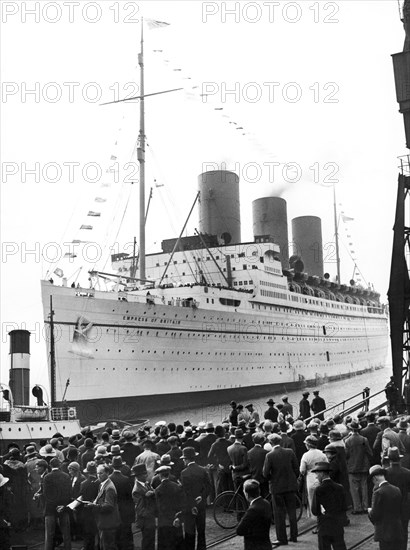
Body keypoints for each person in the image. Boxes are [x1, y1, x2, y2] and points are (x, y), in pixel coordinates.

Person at [262, 433, 299, 545]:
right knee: (292, 512)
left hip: (277, 487)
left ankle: (282, 538)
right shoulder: (290, 452)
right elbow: (296, 469)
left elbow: (265, 473)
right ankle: (294, 535)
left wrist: (272, 479)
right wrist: (292, 479)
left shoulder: (270, 455)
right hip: (290, 486)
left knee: (279, 514)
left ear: (271, 443)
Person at [180, 446, 212, 550]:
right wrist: (201, 497)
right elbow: (208, 486)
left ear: (187, 459)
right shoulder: (202, 470)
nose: (184, 461)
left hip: (189, 506)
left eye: (184, 459)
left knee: (189, 530)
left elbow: (185, 492)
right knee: (201, 530)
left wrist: (192, 504)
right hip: (201, 504)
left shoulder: (184, 473)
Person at [311, 462, 347, 550]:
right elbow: (344, 507)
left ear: (322, 473)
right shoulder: (340, 487)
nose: (316, 476)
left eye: (317, 474)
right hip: (337, 526)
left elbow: (315, 510)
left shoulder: (318, 489)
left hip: (324, 527)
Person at [367, 464, 404, 550]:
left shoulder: (378, 493)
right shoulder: (396, 489)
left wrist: (370, 512)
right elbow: (400, 510)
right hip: (397, 530)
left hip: (385, 532)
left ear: (375, 478)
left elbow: (375, 515)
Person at [85, 464, 121, 550]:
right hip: (104, 522)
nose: (98, 475)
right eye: (97, 473)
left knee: (107, 546)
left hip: (108, 523)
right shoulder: (102, 484)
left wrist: (94, 506)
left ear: (107, 473)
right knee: (103, 545)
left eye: (101, 473)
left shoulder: (109, 488)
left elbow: (109, 506)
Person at [43, 457, 72, 550]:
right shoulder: (66, 476)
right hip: (63, 507)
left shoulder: (47, 477)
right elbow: (68, 493)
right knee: (66, 533)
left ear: (50, 465)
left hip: (50, 508)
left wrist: (53, 504)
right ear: (59, 465)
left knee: (49, 535)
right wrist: (62, 505)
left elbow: (46, 494)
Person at [344, 420, 372, 514]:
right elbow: (369, 452)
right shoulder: (364, 439)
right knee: (364, 487)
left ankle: (357, 508)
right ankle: (365, 506)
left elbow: (346, 455)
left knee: (354, 489)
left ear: (351, 429)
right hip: (363, 466)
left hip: (352, 467)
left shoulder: (347, 441)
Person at [385, 446, 410, 550]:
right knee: (404, 531)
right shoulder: (407, 472)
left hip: (389, 508)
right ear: (399, 459)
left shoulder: (385, 472)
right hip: (404, 507)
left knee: (390, 531)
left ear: (389, 459)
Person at [236, 479, 272, 550]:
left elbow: (239, 530)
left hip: (254, 546)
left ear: (246, 494)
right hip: (266, 544)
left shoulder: (252, 510)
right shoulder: (266, 503)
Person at [155, 465, 184, 550]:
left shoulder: (158, 490)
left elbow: (159, 508)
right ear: (168, 474)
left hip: (164, 523)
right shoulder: (177, 487)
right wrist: (179, 517)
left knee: (165, 545)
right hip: (176, 520)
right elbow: (182, 504)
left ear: (160, 476)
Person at [109, 456, 134, 550]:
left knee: (115, 533)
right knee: (126, 532)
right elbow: (130, 497)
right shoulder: (126, 479)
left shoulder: (108, 479)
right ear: (121, 467)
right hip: (125, 509)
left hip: (113, 509)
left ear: (112, 466)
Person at [300, 435, 327, 518]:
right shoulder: (322, 453)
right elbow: (327, 464)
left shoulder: (305, 455)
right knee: (323, 498)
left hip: (310, 478)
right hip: (321, 477)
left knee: (312, 499)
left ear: (308, 445)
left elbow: (302, 470)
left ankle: (314, 517)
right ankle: (324, 515)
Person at [132, 463, 156, 550]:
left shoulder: (145, 484)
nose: (146, 475)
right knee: (147, 541)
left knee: (150, 541)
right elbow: (139, 508)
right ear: (138, 476)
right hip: (145, 520)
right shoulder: (137, 490)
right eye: (144, 474)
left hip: (149, 519)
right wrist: (150, 514)